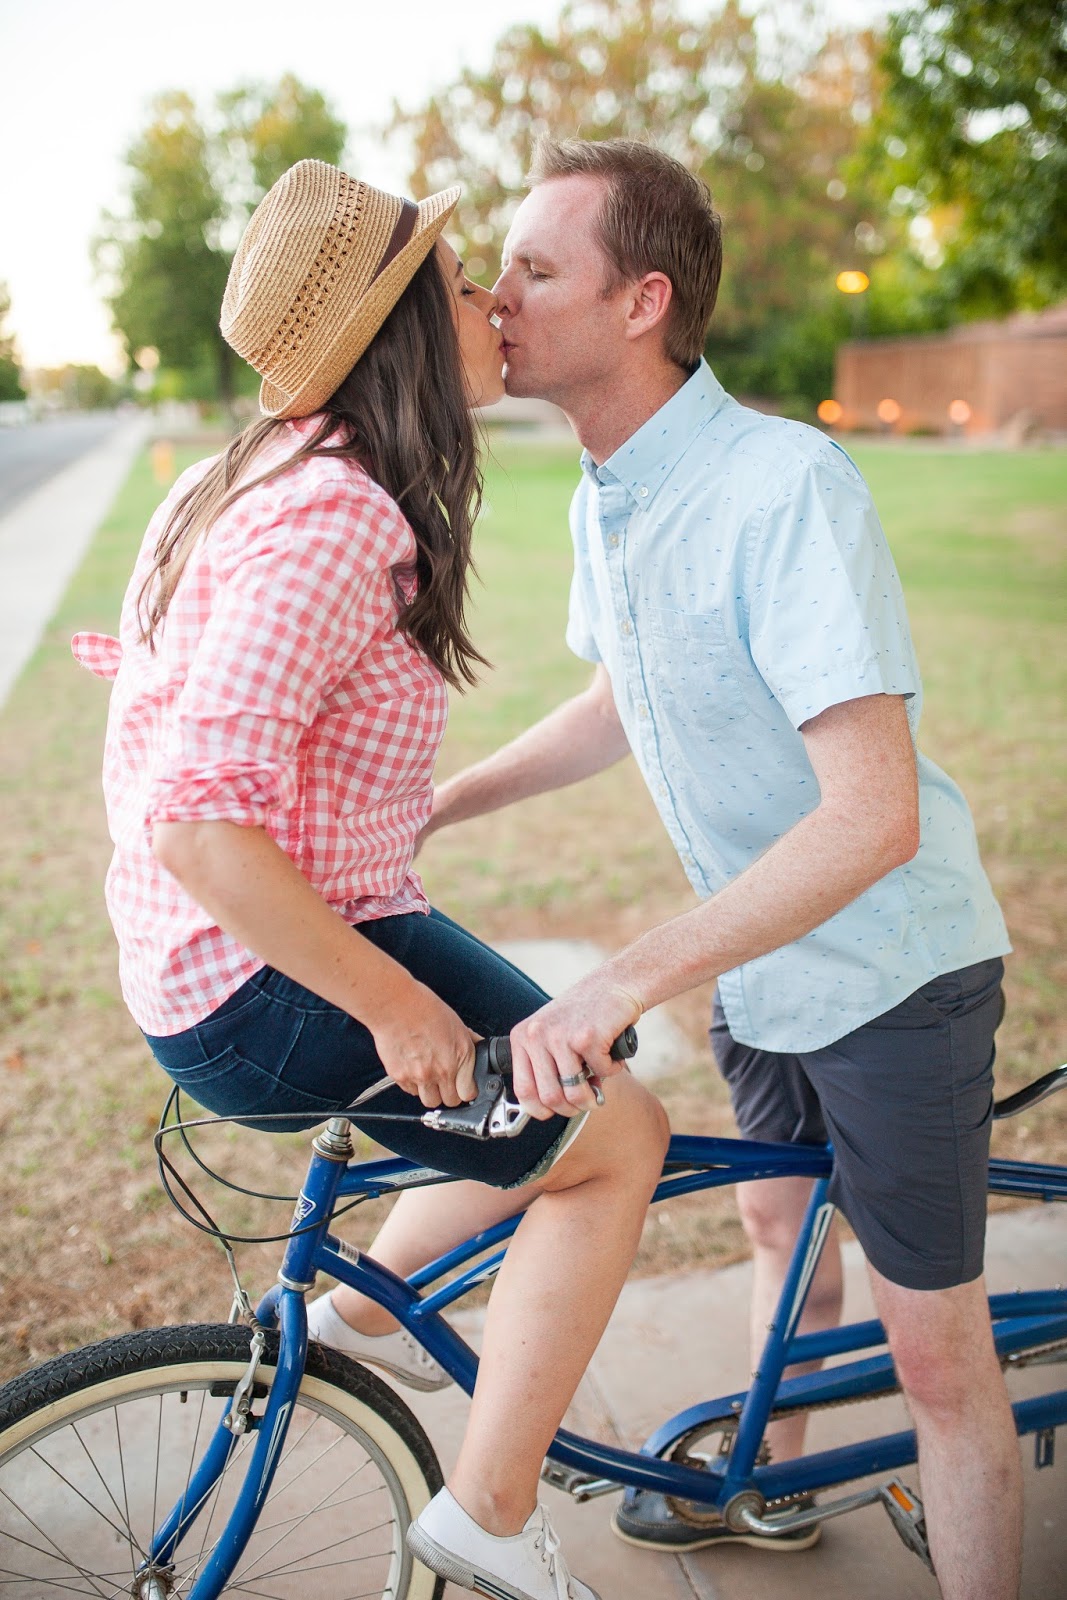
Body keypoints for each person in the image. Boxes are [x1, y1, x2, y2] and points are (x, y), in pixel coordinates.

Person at [418, 139, 1021, 1600]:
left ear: (644, 301)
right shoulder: (603, 490)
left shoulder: (779, 485)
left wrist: (627, 974)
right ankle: (768, 1487)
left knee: (935, 1352)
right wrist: (444, 802)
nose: (497, 296)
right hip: (761, 951)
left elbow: (873, 817)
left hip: (893, 966)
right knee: (772, 1218)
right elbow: (622, 698)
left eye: (538, 269)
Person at [72, 157, 669, 1600]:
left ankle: (356, 1316)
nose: (488, 299)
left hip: (296, 918)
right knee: (616, 1147)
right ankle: (487, 1506)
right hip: (256, 977)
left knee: (600, 1046)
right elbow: (197, 822)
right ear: (402, 325)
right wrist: (396, 1005)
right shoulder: (337, 516)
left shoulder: (268, 471)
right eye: (461, 280)